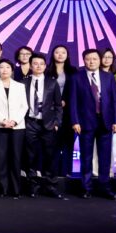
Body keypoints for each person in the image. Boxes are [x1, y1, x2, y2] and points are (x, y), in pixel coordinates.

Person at [69, 49, 116, 201]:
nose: (91, 61)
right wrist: (75, 121)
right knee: (86, 158)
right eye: (88, 59)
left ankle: (105, 188)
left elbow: (115, 101)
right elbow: (73, 101)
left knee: (105, 158)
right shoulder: (76, 77)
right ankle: (86, 188)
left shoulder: (108, 77)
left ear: (99, 60)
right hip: (85, 122)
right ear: (83, 60)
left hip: (106, 122)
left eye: (94, 59)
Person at [23, 53, 63, 198]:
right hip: (30, 123)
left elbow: (58, 105)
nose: (38, 66)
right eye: (35, 63)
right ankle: (33, 186)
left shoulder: (52, 82)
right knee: (30, 156)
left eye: (41, 64)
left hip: (48, 124)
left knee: (50, 156)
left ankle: (51, 186)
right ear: (30, 65)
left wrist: (57, 122)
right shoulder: (23, 82)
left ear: (45, 66)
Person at [0, 59, 28, 198]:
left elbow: (24, 106)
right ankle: (2, 189)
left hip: (17, 127)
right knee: (1, 158)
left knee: (16, 158)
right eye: (2, 67)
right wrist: (3, 120)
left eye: (7, 67)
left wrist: (15, 121)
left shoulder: (20, 86)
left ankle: (16, 189)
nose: (4, 70)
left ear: (12, 70)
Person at [47, 44, 79, 177]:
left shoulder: (73, 71)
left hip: (68, 112)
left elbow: (76, 90)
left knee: (68, 142)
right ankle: (51, 171)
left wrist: (65, 100)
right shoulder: (47, 70)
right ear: (53, 54)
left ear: (67, 55)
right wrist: (54, 102)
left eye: (63, 52)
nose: (60, 55)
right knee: (52, 142)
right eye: (57, 52)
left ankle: (66, 171)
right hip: (50, 111)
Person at [99, 48, 116, 177]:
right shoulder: (93, 73)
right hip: (95, 112)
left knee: (111, 144)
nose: (107, 59)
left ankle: (110, 169)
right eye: (104, 57)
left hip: (110, 113)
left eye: (110, 57)